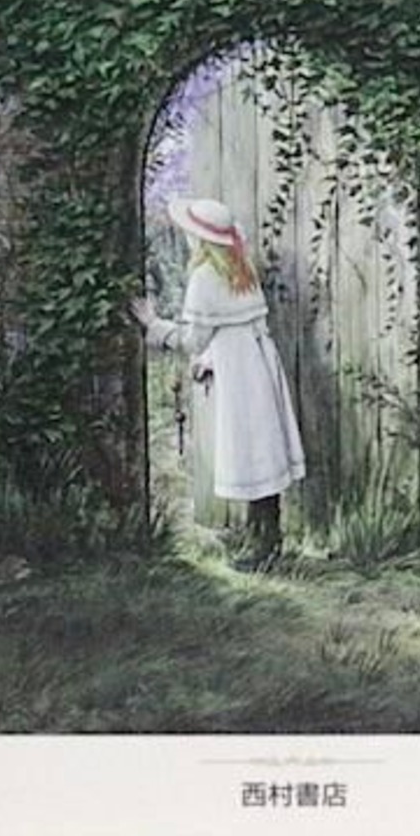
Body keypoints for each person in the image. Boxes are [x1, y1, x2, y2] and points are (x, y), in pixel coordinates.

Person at [132, 197, 306, 568]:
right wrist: (211, 359)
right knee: (262, 448)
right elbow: (236, 327)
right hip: (258, 362)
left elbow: (194, 339)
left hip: (241, 373)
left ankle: (262, 546)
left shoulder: (205, 278)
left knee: (251, 449)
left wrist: (154, 325)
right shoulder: (240, 266)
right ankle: (266, 537)